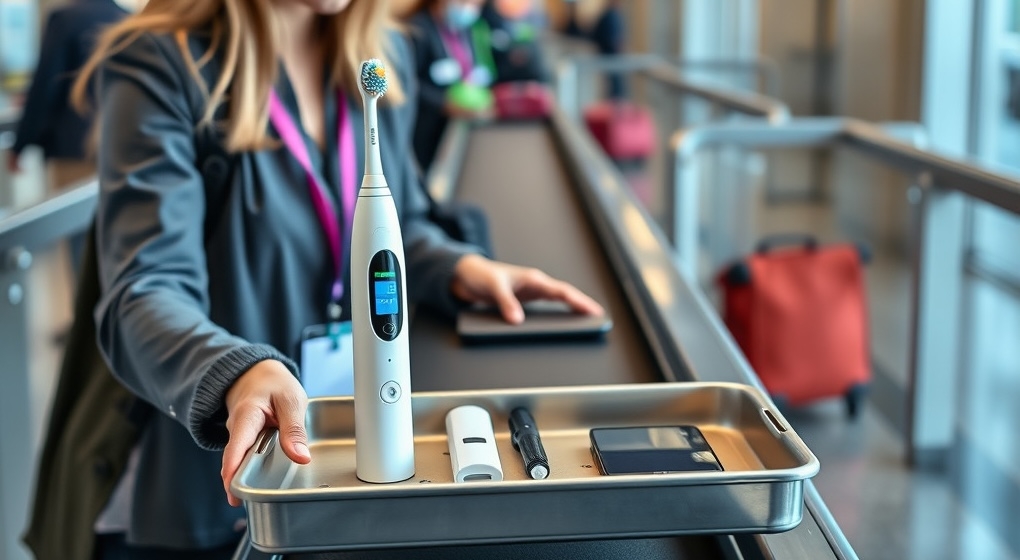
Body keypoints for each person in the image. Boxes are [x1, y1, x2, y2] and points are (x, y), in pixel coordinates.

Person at [55, 0, 602, 557]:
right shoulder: (161, 63)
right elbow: (145, 291)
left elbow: (400, 223)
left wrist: (459, 267)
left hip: (346, 454)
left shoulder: (380, 55)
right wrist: (237, 372)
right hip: (214, 490)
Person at [6, 0, 133, 269]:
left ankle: (86, 306)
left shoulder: (65, 19)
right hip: (120, 145)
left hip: (73, 148)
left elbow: (45, 87)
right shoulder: (127, 19)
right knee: (117, 238)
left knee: (80, 241)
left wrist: (20, 145)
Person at [406, 0, 495, 171]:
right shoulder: (417, 30)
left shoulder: (466, 29)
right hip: (424, 128)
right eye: (464, 2)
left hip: (457, 125)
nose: (469, 9)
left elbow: (472, 67)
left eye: (476, 5)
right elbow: (408, 84)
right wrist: (444, 103)